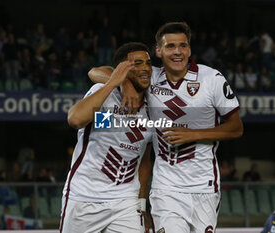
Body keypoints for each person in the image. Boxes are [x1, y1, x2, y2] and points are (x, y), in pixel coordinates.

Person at [89, 22, 244, 233]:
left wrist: (194, 134)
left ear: (189, 50)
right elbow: (95, 71)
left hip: (204, 187)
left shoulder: (212, 79)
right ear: (159, 51)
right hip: (166, 189)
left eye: (183, 45)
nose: (177, 51)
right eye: (170, 46)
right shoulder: (150, 76)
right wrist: (123, 82)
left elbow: (236, 127)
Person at [60, 42, 153, 233]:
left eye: (148, 63)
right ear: (122, 69)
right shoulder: (106, 95)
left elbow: (144, 157)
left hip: (125, 200)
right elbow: (76, 119)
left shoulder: (154, 105)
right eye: (138, 63)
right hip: (85, 197)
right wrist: (117, 82)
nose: (145, 68)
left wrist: (142, 204)